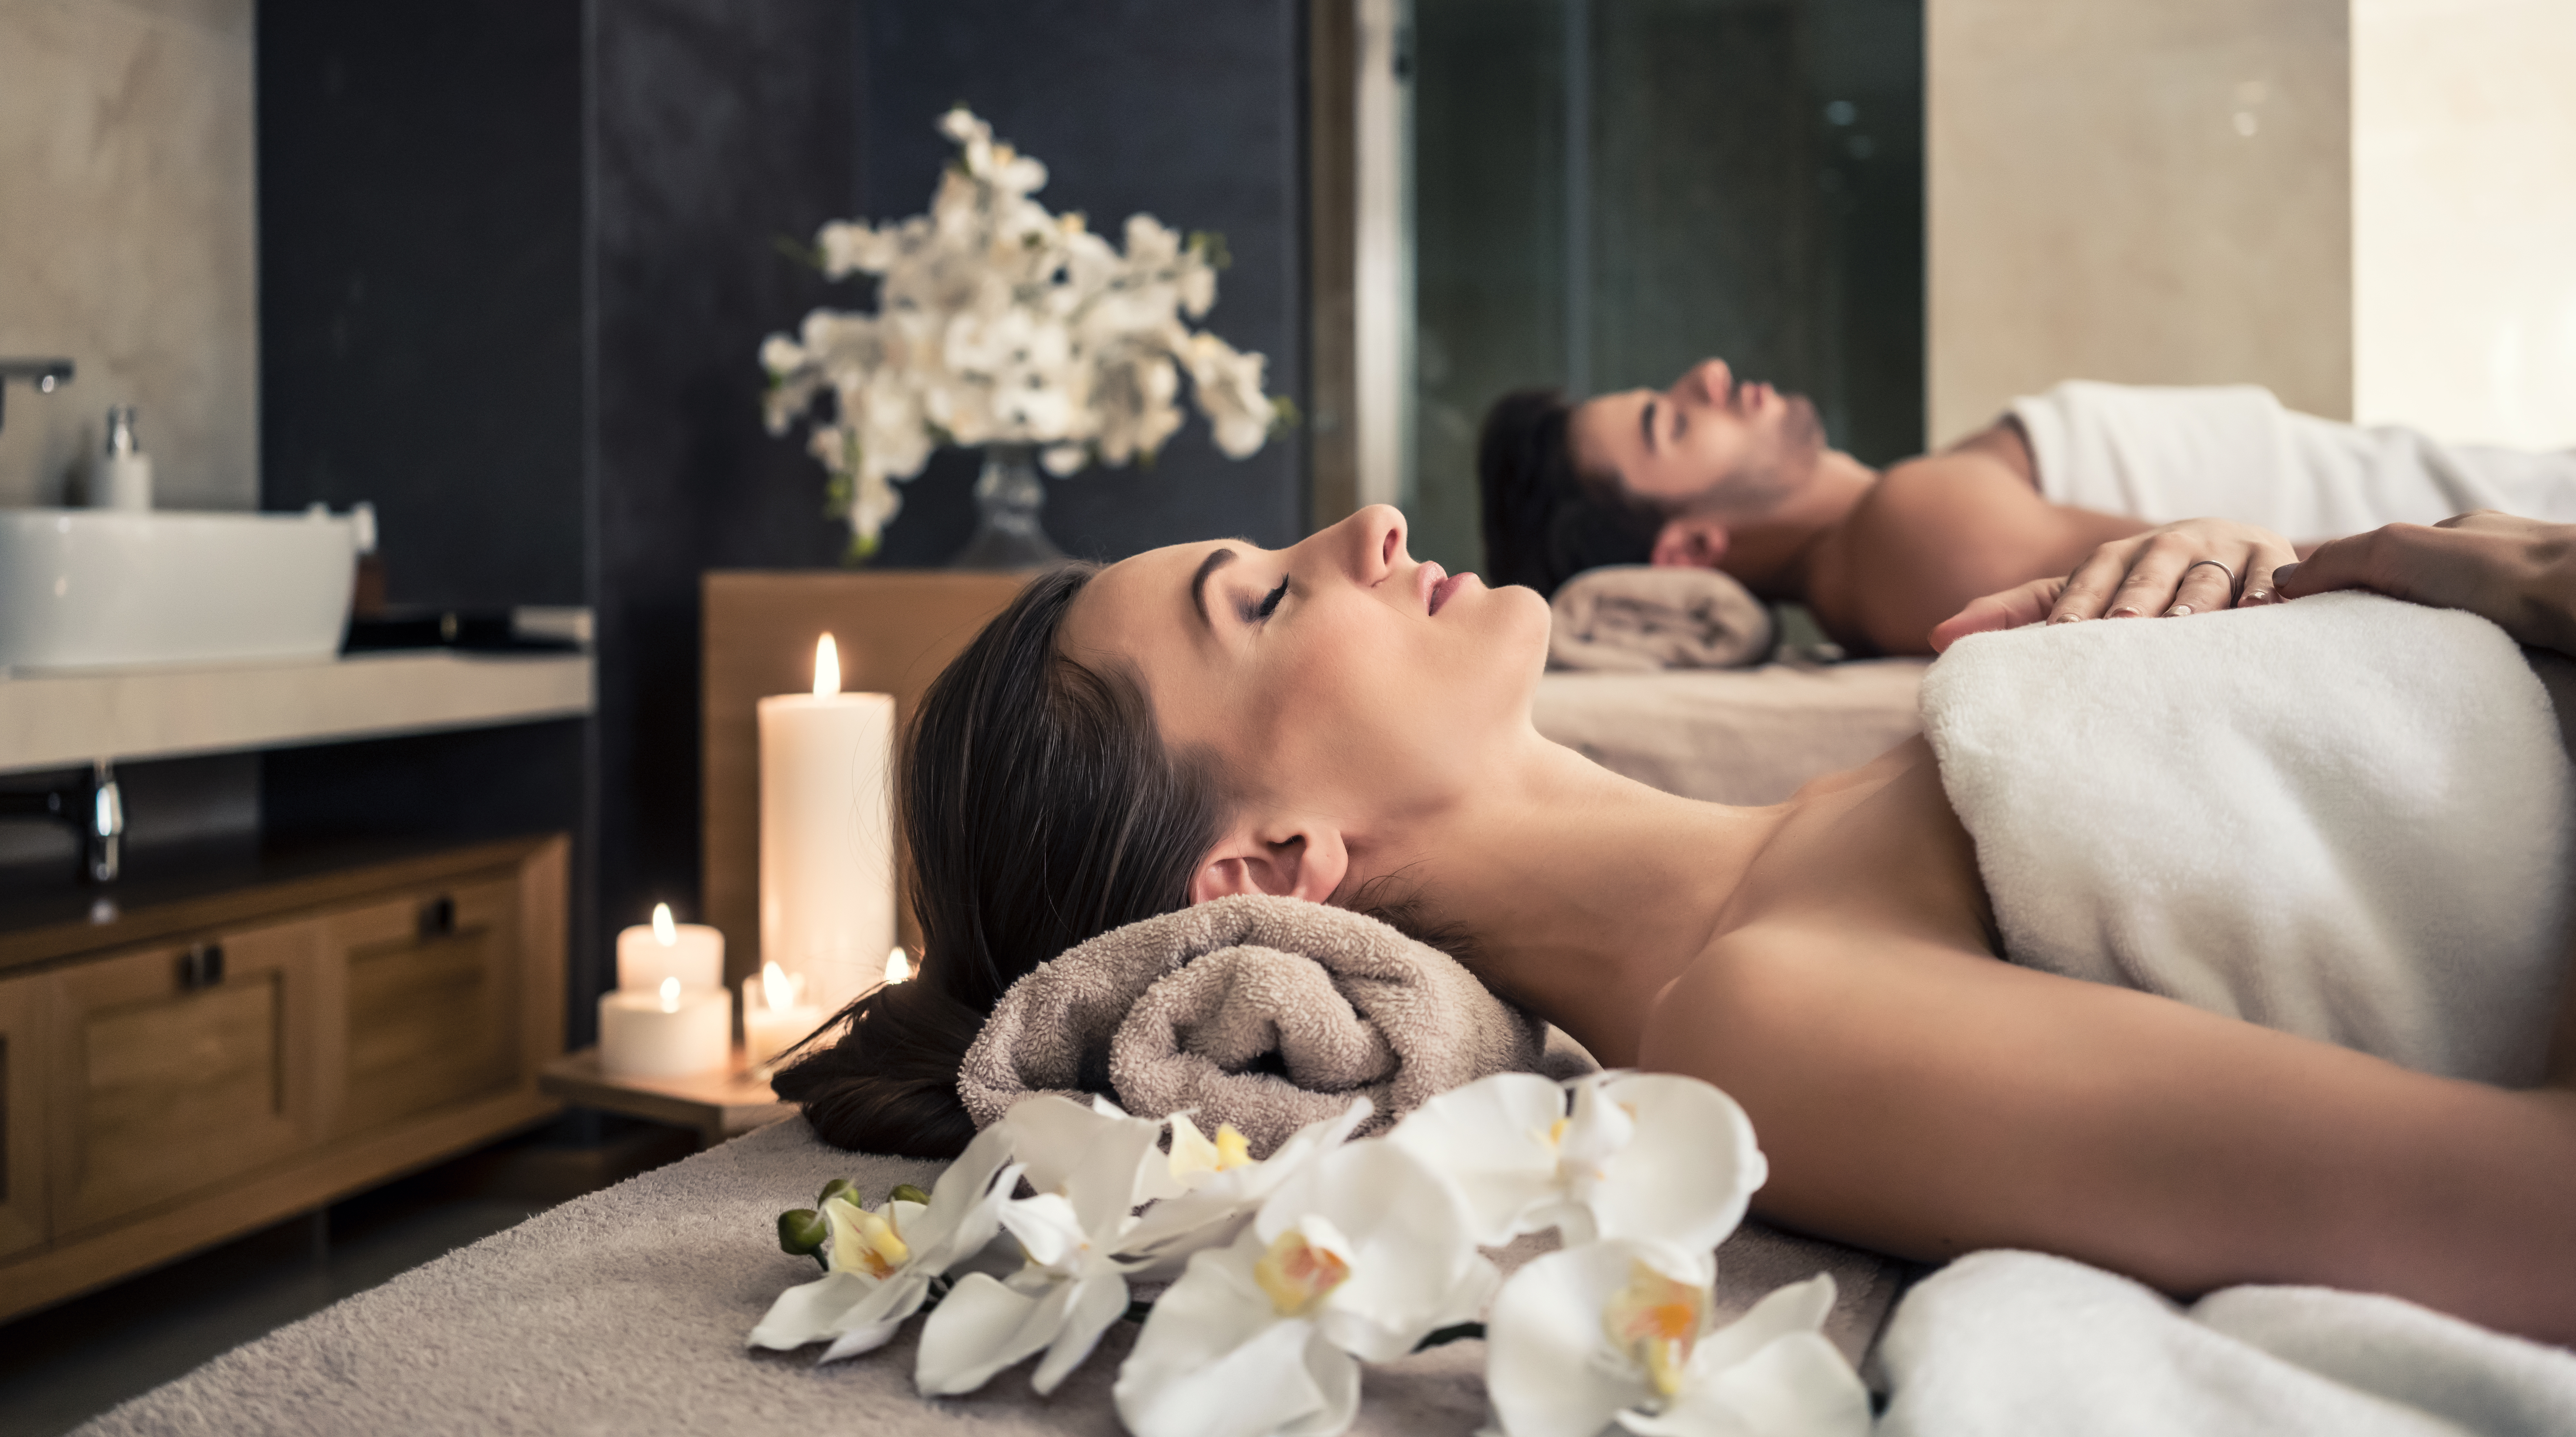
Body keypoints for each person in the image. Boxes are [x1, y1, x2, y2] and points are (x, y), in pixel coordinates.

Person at [777, 505, 2576, 1347]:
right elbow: (2531, 1220)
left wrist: (2411, 573)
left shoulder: (1859, 800)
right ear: (1265, 869)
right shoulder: (1763, 1015)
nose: (1363, 522)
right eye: (1260, 598)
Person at [1478, 362, 2576, 655]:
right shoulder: (1914, 534)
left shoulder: (1917, 508)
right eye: (1672, 423)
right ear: (1694, 548)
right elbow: (2240, 587)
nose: (1711, 374)